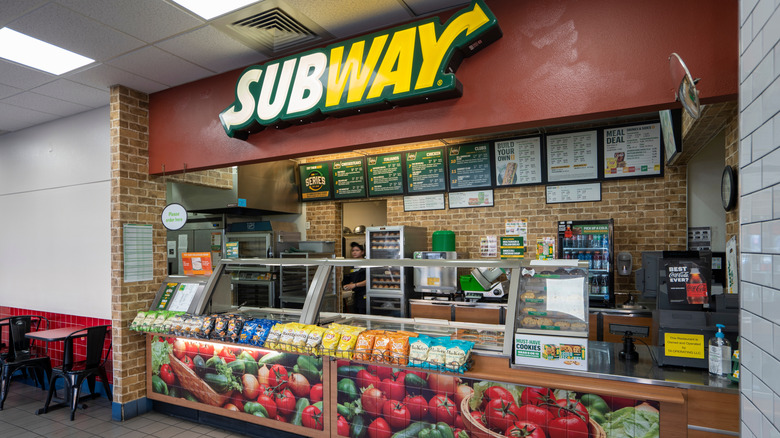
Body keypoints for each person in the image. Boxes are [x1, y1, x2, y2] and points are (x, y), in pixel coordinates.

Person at [342, 242, 367, 313]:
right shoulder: (354, 264)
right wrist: (350, 285)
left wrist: (355, 285)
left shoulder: (366, 264)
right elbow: (355, 278)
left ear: (362, 252)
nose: (354, 252)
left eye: (357, 250)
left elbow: (369, 280)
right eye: (353, 250)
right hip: (356, 295)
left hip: (364, 295)